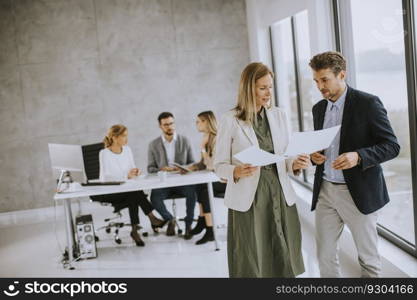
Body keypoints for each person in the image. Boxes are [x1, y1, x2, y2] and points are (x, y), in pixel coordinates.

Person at [309, 51, 400, 277]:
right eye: (316, 81)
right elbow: (322, 145)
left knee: (368, 260)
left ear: (342, 74)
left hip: (357, 192)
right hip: (325, 190)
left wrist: (358, 156)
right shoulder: (318, 109)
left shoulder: (368, 103)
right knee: (324, 256)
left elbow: (392, 146)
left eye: (325, 80)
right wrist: (315, 156)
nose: (320, 86)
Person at [214, 62, 310, 277]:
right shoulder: (230, 119)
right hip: (250, 197)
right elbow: (218, 165)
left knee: (284, 253)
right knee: (252, 256)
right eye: (262, 88)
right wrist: (235, 172)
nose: (268, 93)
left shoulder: (279, 115)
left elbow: (285, 155)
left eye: (270, 87)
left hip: (279, 192)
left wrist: (294, 163)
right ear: (249, 88)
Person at [91, 124, 166, 247]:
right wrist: (127, 176)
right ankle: (151, 218)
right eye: (124, 136)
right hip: (110, 191)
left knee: (133, 194)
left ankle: (135, 230)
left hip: (127, 189)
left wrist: (136, 171)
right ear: (115, 137)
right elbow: (105, 178)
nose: (127, 139)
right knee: (134, 194)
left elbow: (132, 168)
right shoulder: (104, 153)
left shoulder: (127, 150)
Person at [147, 112, 197, 239]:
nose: (169, 127)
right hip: (164, 182)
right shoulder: (153, 145)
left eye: (171, 123)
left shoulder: (184, 141)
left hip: (182, 181)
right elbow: (150, 168)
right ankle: (170, 219)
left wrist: (184, 168)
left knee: (193, 192)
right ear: (160, 126)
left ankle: (188, 225)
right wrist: (161, 169)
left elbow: (192, 162)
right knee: (154, 198)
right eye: (166, 124)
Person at [187, 111, 226, 245]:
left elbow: (213, 165)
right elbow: (204, 164)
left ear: (206, 122)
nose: (196, 124)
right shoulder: (207, 137)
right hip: (216, 178)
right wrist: (188, 168)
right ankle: (202, 220)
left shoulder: (216, 138)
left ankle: (209, 229)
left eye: (199, 121)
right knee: (198, 186)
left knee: (204, 190)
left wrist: (203, 148)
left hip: (226, 180)